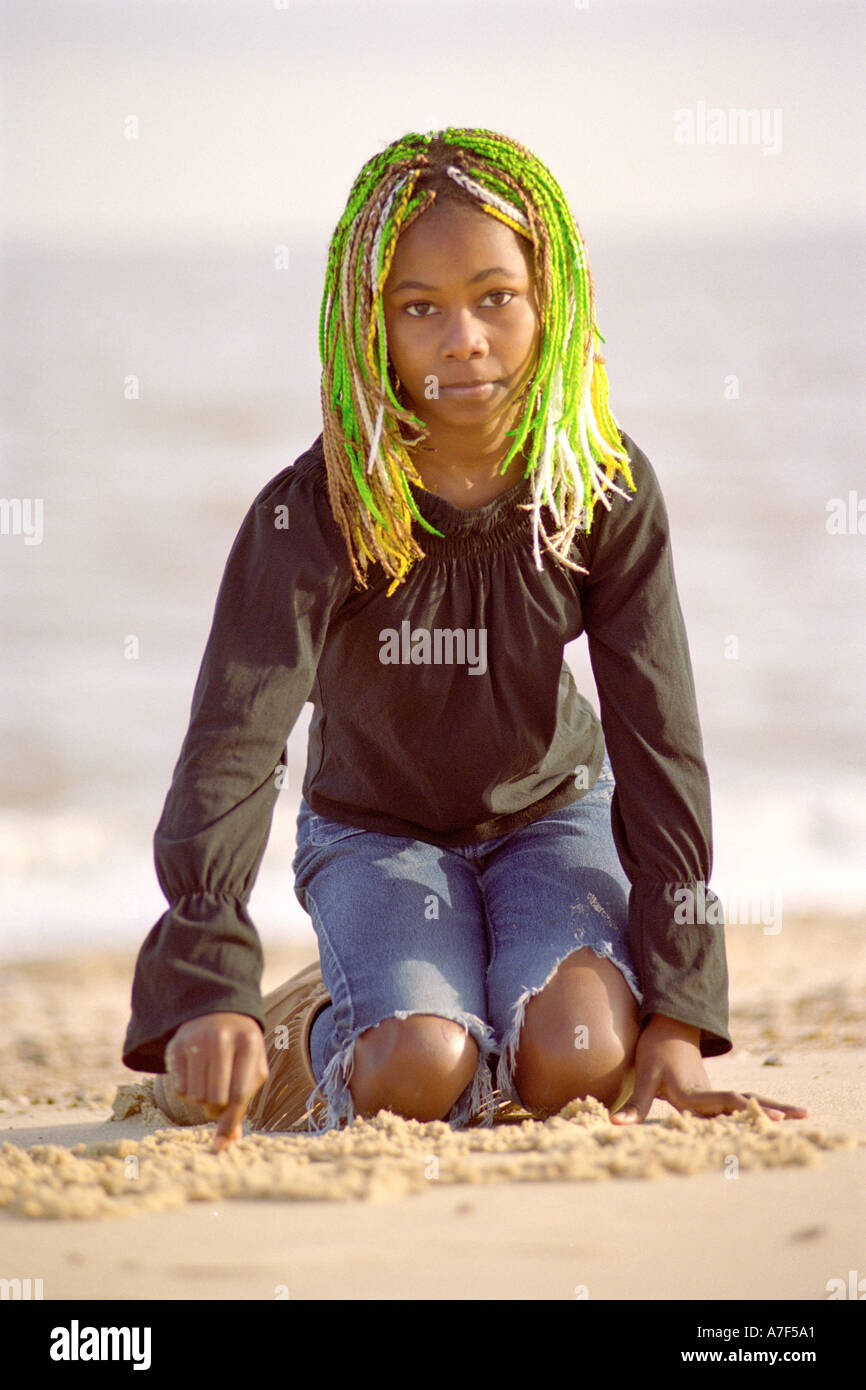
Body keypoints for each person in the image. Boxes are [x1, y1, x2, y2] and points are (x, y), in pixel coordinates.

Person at [123, 128, 807, 1151]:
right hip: (374, 835)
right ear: (370, 326)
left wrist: (678, 1014)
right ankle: (310, 1015)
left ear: (549, 300)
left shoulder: (598, 488)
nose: (463, 338)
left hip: (551, 819)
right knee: (416, 1072)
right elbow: (233, 742)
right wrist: (206, 980)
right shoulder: (311, 513)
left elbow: (658, 740)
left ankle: (477, 978)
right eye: (418, 308)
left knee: (577, 1055)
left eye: (495, 296)